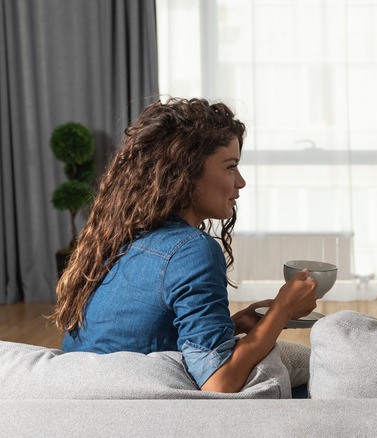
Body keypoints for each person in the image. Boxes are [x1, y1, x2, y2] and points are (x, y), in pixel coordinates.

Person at [49, 97, 318, 394]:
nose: (240, 182)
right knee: (307, 365)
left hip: (84, 399)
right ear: (186, 172)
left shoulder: (115, 237)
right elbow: (218, 384)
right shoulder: (191, 249)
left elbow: (137, 337)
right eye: (231, 167)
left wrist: (233, 325)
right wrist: (283, 309)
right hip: (140, 413)